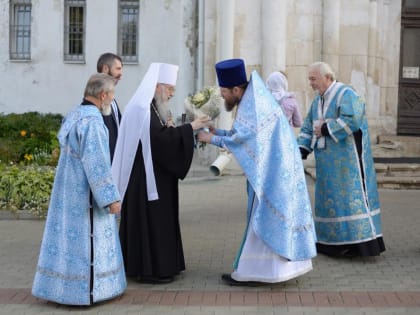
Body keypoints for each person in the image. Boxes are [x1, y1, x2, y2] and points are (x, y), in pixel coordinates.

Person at [197, 59, 317, 286]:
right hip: (276, 169)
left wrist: (210, 137)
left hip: (272, 174)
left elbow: (243, 139)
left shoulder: (253, 103)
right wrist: (219, 131)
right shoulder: (253, 98)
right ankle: (264, 271)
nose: (223, 97)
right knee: (265, 217)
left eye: (224, 92)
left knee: (262, 217)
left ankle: (256, 273)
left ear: (235, 89)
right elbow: (241, 134)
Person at [32, 73, 126, 305]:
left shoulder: (75, 114)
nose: (112, 100)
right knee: (85, 242)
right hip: (85, 195)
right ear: (103, 95)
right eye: (112, 95)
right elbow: (97, 164)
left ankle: (60, 288)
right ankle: (87, 292)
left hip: (67, 191)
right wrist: (110, 198)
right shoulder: (93, 122)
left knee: (67, 243)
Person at [112, 63, 210, 284]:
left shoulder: (150, 107)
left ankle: (164, 264)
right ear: (157, 87)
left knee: (162, 221)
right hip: (145, 182)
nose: (172, 94)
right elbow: (160, 142)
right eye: (170, 89)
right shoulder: (141, 108)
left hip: (155, 177)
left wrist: (175, 129)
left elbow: (159, 137)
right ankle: (151, 269)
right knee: (153, 222)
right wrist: (190, 128)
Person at [297, 61, 385, 258]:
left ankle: (360, 245)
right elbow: (308, 126)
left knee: (349, 200)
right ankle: (332, 244)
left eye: (314, 79)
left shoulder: (346, 94)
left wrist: (327, 128)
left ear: (327, 77)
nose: (311, 83)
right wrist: (301, 149)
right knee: (330, 201)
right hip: (326, 163)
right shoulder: (317, 101)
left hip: (348, 163)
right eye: (310, 79)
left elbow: (354, 118)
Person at [97, 52, 123, 161]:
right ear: (106, 69)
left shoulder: (111, 98)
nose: (121, 74)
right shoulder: (97, 96)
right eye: (118, 69)